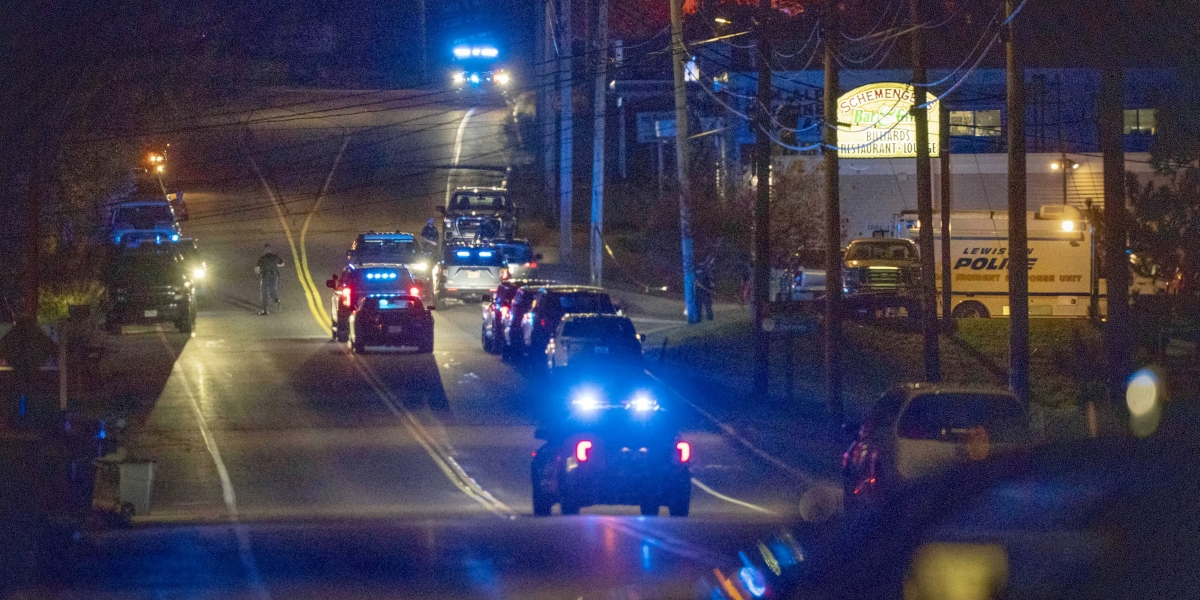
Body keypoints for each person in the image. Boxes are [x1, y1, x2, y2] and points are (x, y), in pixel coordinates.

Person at [255, 243, 284, 315]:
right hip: (274, 276)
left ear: (264, 250)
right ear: (270, 250)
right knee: (272, 290)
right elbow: (283, 264)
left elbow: (257, 269)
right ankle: (277, 300)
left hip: (265, 276)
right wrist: (275, 265)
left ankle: (265, 311)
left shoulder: (262, 258)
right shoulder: (275, 257)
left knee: (264, 293)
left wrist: (258, 273)